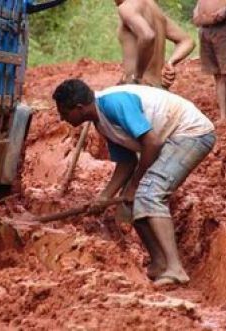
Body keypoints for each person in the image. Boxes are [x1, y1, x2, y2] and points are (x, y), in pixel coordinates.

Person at [52, 79, 216, 285]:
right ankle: (159, 263)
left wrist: (135, 184)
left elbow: (152, 142)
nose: (61, 118)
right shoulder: (101, 123)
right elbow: (126, 162)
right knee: (130, 203)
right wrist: (104, 197)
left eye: (64, 113)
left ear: (79, 108)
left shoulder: (113, 104)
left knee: (150, 192)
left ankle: (175, 268)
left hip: (191, 133)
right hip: (171, 138)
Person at [115, 0, 196, 88]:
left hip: (139, 89)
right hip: (158, 88)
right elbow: (187, 41)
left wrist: (137, 76)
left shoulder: (127, 7)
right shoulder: (157, 12)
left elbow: (147, 36)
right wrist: (169, 64)